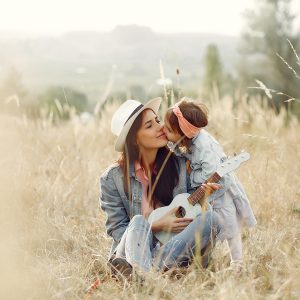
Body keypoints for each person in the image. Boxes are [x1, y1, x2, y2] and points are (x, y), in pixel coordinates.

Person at [99, 97, 221, 277]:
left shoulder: (180, 164)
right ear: (134, 140)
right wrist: (154, 226)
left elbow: (190, 210)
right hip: (134, 247)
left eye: (157, 120)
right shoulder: (112, 178)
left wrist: (203, 196)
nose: (160, 127)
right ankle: (147, 271)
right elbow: (117, 230)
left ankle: (142, 273)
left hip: (174, 246)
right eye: (149, 126)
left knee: (211, 218)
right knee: (138, 221)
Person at [163, 98, 257, 267]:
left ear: (183, 132)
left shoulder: (203, 146)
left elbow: (210, 172)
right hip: (211, 193)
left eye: (169, 130)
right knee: (211, 224)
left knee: (230, 227)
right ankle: (202, 260)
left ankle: (238, 263)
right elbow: (190, 158)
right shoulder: (192, 140)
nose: (164, 131)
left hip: (222, 191)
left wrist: (192, 174)